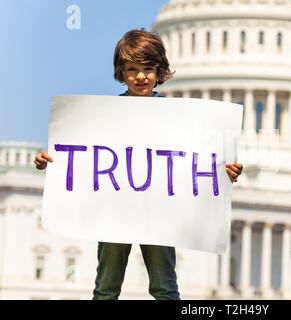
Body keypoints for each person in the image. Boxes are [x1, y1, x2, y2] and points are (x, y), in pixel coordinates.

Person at [34, 29, 244, 300]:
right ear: (121, 72)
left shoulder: (179, 117)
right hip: (114, 209)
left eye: (147, 68)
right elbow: (84, 153)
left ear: (160, 71)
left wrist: (223, 170)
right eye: (132, 69)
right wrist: (49, 160)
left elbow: (195, 157)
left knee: (164, 286)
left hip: (159, 211)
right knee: (106, 287)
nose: (141, 76)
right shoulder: (102, 114)